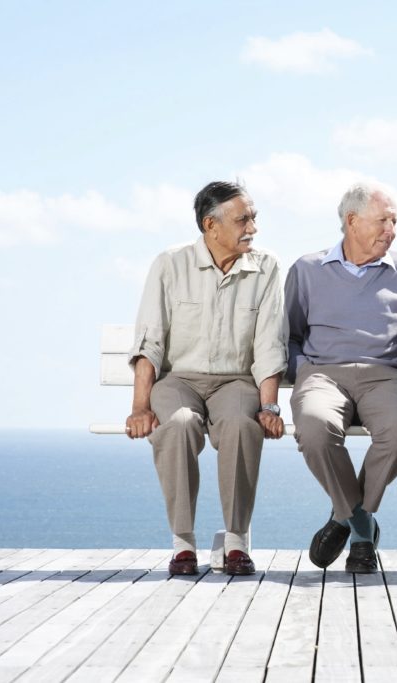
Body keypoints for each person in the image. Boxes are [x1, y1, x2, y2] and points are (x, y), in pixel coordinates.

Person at [125, 181, 287, 577]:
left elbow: (269, 343)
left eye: (254, 217)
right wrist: (140, 407)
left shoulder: (266, 266)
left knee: (238, 426)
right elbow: (150, 340)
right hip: (178, 379)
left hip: (236, 382)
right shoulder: (170, 263)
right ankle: (183, 544)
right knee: (178, 425)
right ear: (209, 226)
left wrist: (268, 407)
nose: (252, 227)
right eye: (243, 219)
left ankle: (235, 541)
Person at [285, 182, 397, 574]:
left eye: (395, 221)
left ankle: (344, 518)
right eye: (383, 220)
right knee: (315, 429)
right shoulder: (306, 269)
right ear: (352, 221)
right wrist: (303, 371)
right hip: (322, 376)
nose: (392, 229)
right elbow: (291, 335)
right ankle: (363, 530)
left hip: (386, 377)